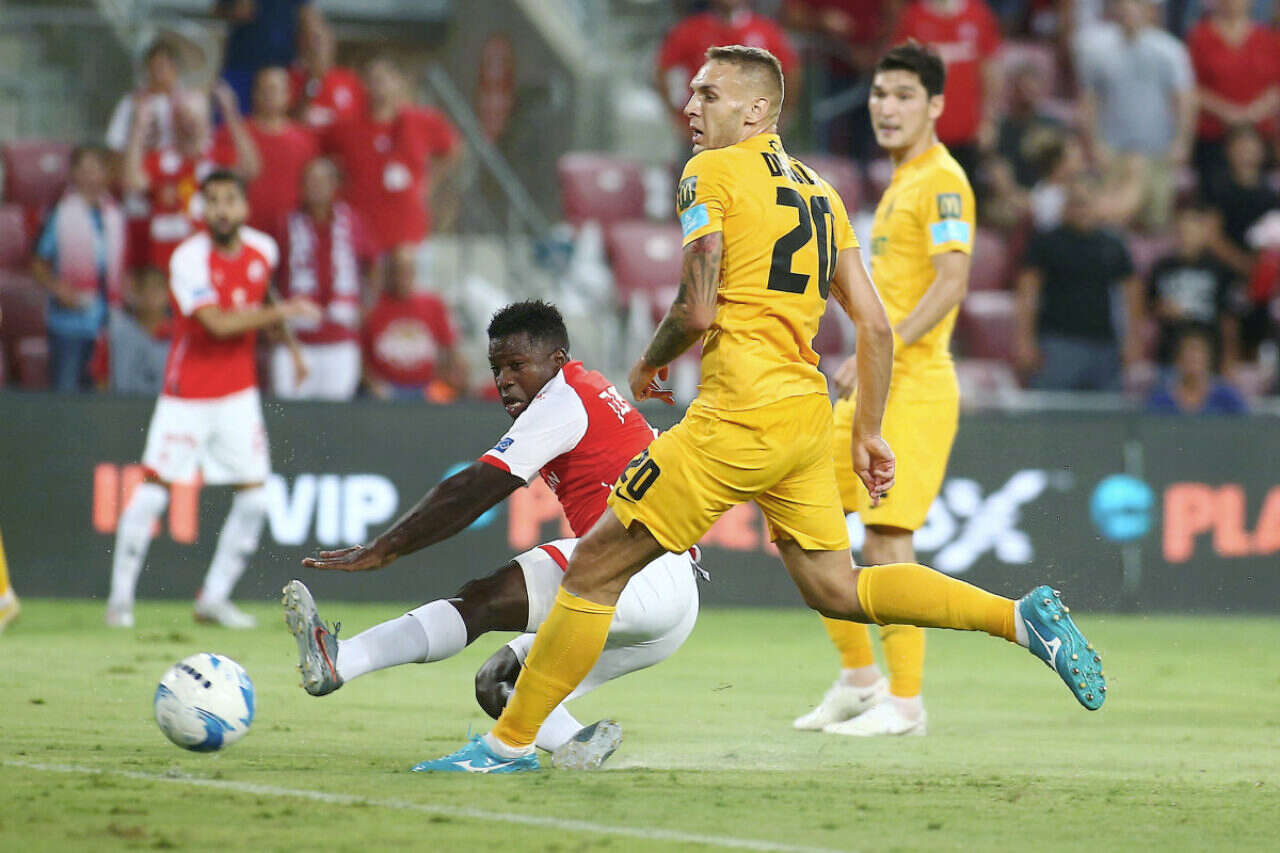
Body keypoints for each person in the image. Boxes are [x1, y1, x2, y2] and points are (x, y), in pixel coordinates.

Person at [413, 45, 1106, 774]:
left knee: (593, 569)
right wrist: (866, 430)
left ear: (755, 110)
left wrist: (649, 360)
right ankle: (1017, 618)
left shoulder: (710, 171)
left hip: (736, 415)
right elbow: (874, 326)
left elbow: (696, 305)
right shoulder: (822, 191)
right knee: (839, 587)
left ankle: (507, 744)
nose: (690, 107)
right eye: (692, 93)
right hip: (804, 418)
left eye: (708, 95)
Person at [292, 300, 700, 770]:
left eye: (516, 365)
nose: (504, 380)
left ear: (557, 360)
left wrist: (386, 548)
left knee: (482, 600)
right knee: (498, 682)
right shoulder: (587, 389)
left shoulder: (562, 401)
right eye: (496, 368)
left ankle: (343, 661)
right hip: (670, 601)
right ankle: (577, 745)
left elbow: (473, 489)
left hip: (640, 575)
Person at [794, 41, 973, 738]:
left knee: (887, 537)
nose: (886, 107)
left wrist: (880, 348)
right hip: (875, 386)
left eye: (903, 95)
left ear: (935, 105)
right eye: (878, 93)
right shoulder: (901, 182)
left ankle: (906, 702)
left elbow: (952, 282)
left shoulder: (944, 182)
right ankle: (859, 678)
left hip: (916, 388)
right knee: (800, 517)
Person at [105, 170, 320, 629]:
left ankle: (213, 598)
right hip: (187, 393)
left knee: (256, 499)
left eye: (230, 200)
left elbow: (264, 293)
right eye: (213, 201)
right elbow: (217, 324)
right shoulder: (189, 258)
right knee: (153, 494)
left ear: (244, 207)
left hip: (238, 394)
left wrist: (293, 349)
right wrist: (284, 311)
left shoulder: (264, 249)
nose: (221, 210)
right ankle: (119, 602)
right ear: (202, 209)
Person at [320, 57, 461, 295]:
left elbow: (452, 148)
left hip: (407, 232)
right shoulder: (346, 126)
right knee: (364, 301)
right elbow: (321, 155)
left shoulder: (420, 121)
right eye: (372, 80)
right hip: (362, 233)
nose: (378, 86)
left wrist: (429, 182)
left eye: (384, 79)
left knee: (410, 300)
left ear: (398, 82)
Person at [1074, 0, 1195, 231]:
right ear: (1114, 10)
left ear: (1148, 10)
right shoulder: (1095, 48)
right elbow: (1088, 102)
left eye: (1135, 6)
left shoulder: (1170, 49)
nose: (1128, 11)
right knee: (1110, 220)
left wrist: (1182, 143)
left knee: (1155, 221)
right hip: (1112, 147)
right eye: (1123, 6)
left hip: (1157, 149)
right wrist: (1093, 145)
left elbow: (1185, 101)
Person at [1015, 172, 1142, 390]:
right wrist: (1024, 341)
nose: (1080, 208)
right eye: (1075, 202)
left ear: (1096, 203)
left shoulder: (1114, 245)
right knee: (1051, 408)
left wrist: (1132, 341)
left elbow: (1132, 295)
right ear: (1066, 204)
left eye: (1085, 202)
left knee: (1107, 410)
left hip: (1105, 346)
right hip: (1057, 344)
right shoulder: (1046, 242)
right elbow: (1027, 292)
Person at [123, 84, 260, 273]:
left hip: (210, 264)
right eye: (182, 117)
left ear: (206, 120)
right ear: (173, 122)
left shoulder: (217, 157)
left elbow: (251, 169)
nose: (188, 125)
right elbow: (131, 182)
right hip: (166, 265)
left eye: (194, 118)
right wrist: (138, 127)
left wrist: (231, 116)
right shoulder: (161, 159)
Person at [272, 157, 369, 400]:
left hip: (340, 338)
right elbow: (268, 274)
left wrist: (366, 307)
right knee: (287, 413)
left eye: (322, 181)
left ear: (335, 185)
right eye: (310, 181)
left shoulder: (352, 221)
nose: (316, 187)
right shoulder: (285, 223)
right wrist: (275, 318)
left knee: (335, 413)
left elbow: (374, 262)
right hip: (295, 339)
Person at [31, 145, 125, 392]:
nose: (90, 177)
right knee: (67, 392)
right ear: (72, 173)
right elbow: (37, 263)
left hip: (110, 324)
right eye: (84, 170)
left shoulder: (116, 212)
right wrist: (59, 289)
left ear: (107, 173)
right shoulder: (59, 212)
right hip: (69, 323)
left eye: (96, 169)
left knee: (105, 396)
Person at [890, 0, 1003, 181]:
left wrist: (989, 120)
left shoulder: (978, 15)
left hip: (969, 135)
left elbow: (990, 71)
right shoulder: (913, 17)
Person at [657, 0, 798, 133]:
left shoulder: (765, 31)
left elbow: (791, 71)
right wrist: (677, 118)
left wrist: (782, 115)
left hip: (751, 131)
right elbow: (663, 69)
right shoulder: (691, 29)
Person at [213, 66, 318, 241]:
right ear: (254, 94)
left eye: (274, 89)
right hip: (245, 232)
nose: (269, 95)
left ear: (288, 95)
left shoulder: (305, 139)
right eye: (263, 89)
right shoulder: (232, 133)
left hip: (292, 236)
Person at [1186, 0, 1280, 189]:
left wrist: (1254, 112)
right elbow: (1190, 86)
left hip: (1260, 137)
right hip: (1213, 135)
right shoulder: (1200, 37)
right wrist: (1228, 113)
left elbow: (1276, 85)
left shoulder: (1268, 38)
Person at [1147, 201, 1241, 371]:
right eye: (1182, 228)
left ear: (1203, 232)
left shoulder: (1218, 269)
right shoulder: (1162, 267)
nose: (1186, 234)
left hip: (1209, 354)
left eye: (1192, 229)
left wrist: (1229, 357)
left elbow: (1228, 317)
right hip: (1169, 352)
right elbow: (1148, 305)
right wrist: (1162, 308)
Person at [361, 254, 468, 401]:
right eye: (397, 271)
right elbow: (361, 358)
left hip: (427, 387)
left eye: (407, 271)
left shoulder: (433, 304)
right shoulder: (372, 309)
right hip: (387, 389)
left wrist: (445, 380)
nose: (401, 277)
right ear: (387, 273)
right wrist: (374, 385)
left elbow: (451, 350)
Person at [214, 0, 320, 114]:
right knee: (229, 114)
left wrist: (312, 62)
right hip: (241, 65)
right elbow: (219, 12)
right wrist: (235, 7)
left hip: (280, 69)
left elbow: (308, 20)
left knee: (277, 120)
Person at [90, 267, 173, 395]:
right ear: (135, 293)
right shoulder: (114, 332)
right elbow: (101, 379)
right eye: (144, 289)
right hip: (123, 404)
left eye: (157, 288)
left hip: (167, 405)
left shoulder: (180, 335)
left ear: (168, 293)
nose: (151, 295)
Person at [105, 38, 185, 154]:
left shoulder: (187, 103)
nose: (158, 72)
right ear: (148, 68)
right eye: (155, 66)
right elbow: (115, 143)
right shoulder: (131, 102)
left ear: (175, 69)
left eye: (163, 66)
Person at [290, 12, 366, 131]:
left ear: (331, 42)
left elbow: (362, 118)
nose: (316, 46)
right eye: (311, 40)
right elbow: (290, 120)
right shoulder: (292, 79)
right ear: (301, 44)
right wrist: (312, 80)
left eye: (320, 39)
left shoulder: (349, 79)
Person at [1146, 326, 1247, 414]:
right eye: (1188, 354)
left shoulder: (1227, 398)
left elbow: (1246, 425)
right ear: (1178, 360)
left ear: (1208, 359)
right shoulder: (1161, 399)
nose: (1193, 358)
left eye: (1198, 353)